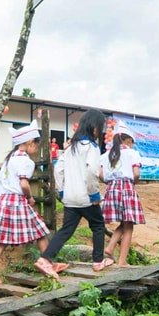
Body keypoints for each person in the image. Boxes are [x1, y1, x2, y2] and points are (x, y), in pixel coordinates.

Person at [0, 120, 64, 286]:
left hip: (3, 201)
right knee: (39, 230)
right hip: (16, 201)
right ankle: (47, 264)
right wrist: (30, 198)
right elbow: (24, 184)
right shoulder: (26, 161)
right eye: (36, 146)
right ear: (31, 143)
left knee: (2, 240)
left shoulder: (8, 161)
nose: (36, 150)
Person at [36, 109, 110, 278]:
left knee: (66, 230)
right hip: (86, 197)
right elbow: (92, 171)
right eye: (100, 126)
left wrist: (62, 192)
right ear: (95, 128)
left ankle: (45, 259)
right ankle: (98, 261)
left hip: (70, 197)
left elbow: (58, 170)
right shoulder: (92, 147)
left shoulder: (70, 148)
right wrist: (94, 195)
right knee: (98, 225)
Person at [101, 122, 145, 266]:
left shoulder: (107, 155)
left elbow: (100, 174)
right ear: (127, 140)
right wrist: (134, 181)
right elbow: (136, 173)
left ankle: (110, 246)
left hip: (112, 188)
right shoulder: (132, 153)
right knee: (129, 226)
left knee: (125, 223)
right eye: (132, 142)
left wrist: (110, 182)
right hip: (126, 187)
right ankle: (122, 261)